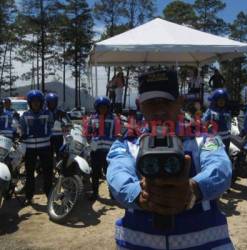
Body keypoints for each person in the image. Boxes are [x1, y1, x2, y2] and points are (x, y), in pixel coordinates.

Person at [107, 70, 233, 250]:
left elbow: (221, 167)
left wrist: (193, 189)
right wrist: (140, 195)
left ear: (180, 102)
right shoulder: (126, 144)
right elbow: (117, 174)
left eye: (166, 101)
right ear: (140, 104)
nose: (159, 109)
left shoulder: (204, 138)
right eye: (151, 102)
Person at [19, 90, 54, 205]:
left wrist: (47, 134)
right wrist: (21, 134)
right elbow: (21, 129)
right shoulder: (25, 115)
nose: (35, 104)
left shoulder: (48, 114)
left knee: (48, 173)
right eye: (33, 102)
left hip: (45, 146)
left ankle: (49, 195)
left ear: (41, 102)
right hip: (30, 148)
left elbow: (51, 125)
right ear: (29, 103)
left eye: (38, 101)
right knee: (29, 173)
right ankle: (29, 197)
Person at [85, 96, 116, 201]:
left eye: (105, 107)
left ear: (108, 107)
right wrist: (90, 141)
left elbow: (120, 132)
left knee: (110, 173)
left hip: (109, 151)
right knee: (95, 173)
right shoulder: (92, 118)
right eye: (100, 107)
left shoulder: (114, 118)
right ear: (97, 107)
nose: (103, 109)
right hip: (96, 151)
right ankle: (95, 192)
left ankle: (113, 193)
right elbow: (88, 132)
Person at [202, 89, 231, 153]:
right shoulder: (210, 111)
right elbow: (203, 121)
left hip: (225, 138)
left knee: (225, 154)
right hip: (213, 138)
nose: (222, 102)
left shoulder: (227, 112)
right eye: (219, 100)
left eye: (223, 100)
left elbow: (229, 124)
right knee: (212, 154)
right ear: (215, 100)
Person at [45, 92, 71, 158]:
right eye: (50, 103)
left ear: (56, 103)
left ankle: (59, 166)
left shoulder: (61, 112)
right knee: (48, 154)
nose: (52, 104)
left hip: (59, 136)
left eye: (53, 102)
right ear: (47, 103)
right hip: (48, 137)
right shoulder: (44, 113)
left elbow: (69, 123)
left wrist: (65, 125)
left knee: (60, 153)